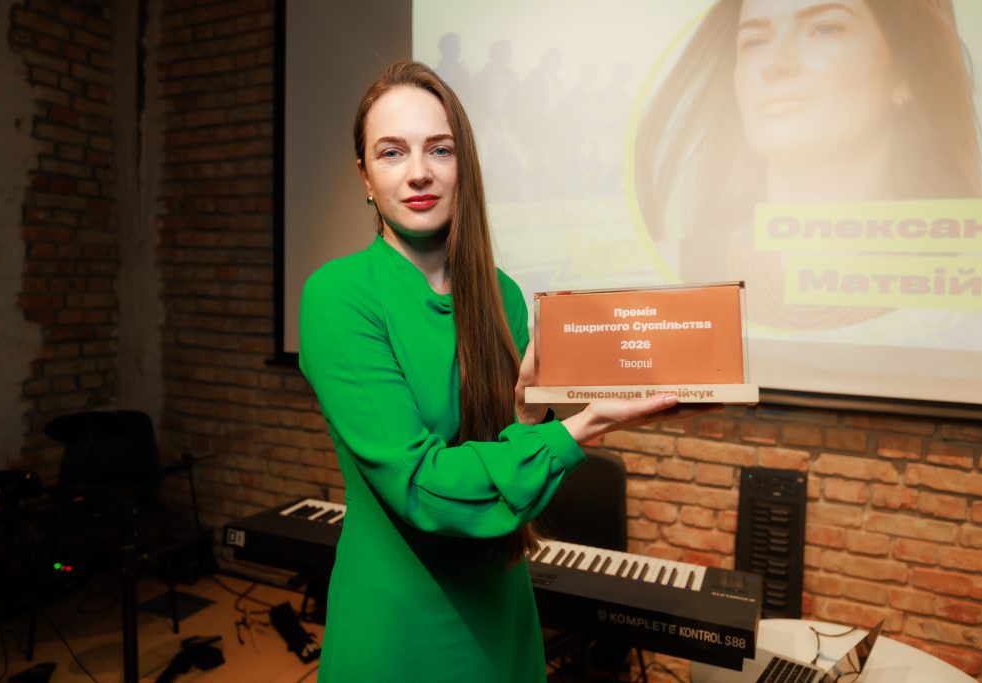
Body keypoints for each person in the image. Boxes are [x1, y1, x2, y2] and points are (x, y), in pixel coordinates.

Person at [299, 60, 708, 682]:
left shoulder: (504, 295)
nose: (418, 172)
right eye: (392, 152)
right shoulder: (337, 296)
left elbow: (508, 469)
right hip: (398, 629)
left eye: (440, 149)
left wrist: (529, 415)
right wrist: (581, 426)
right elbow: (424, 486)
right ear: (365, 176)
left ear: (464, 165)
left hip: (502, 610)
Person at [634, 0, 982, 329]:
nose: (774, 64)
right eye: (754, 41)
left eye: (825, 29)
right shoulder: (662, 274)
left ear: (906, 69)